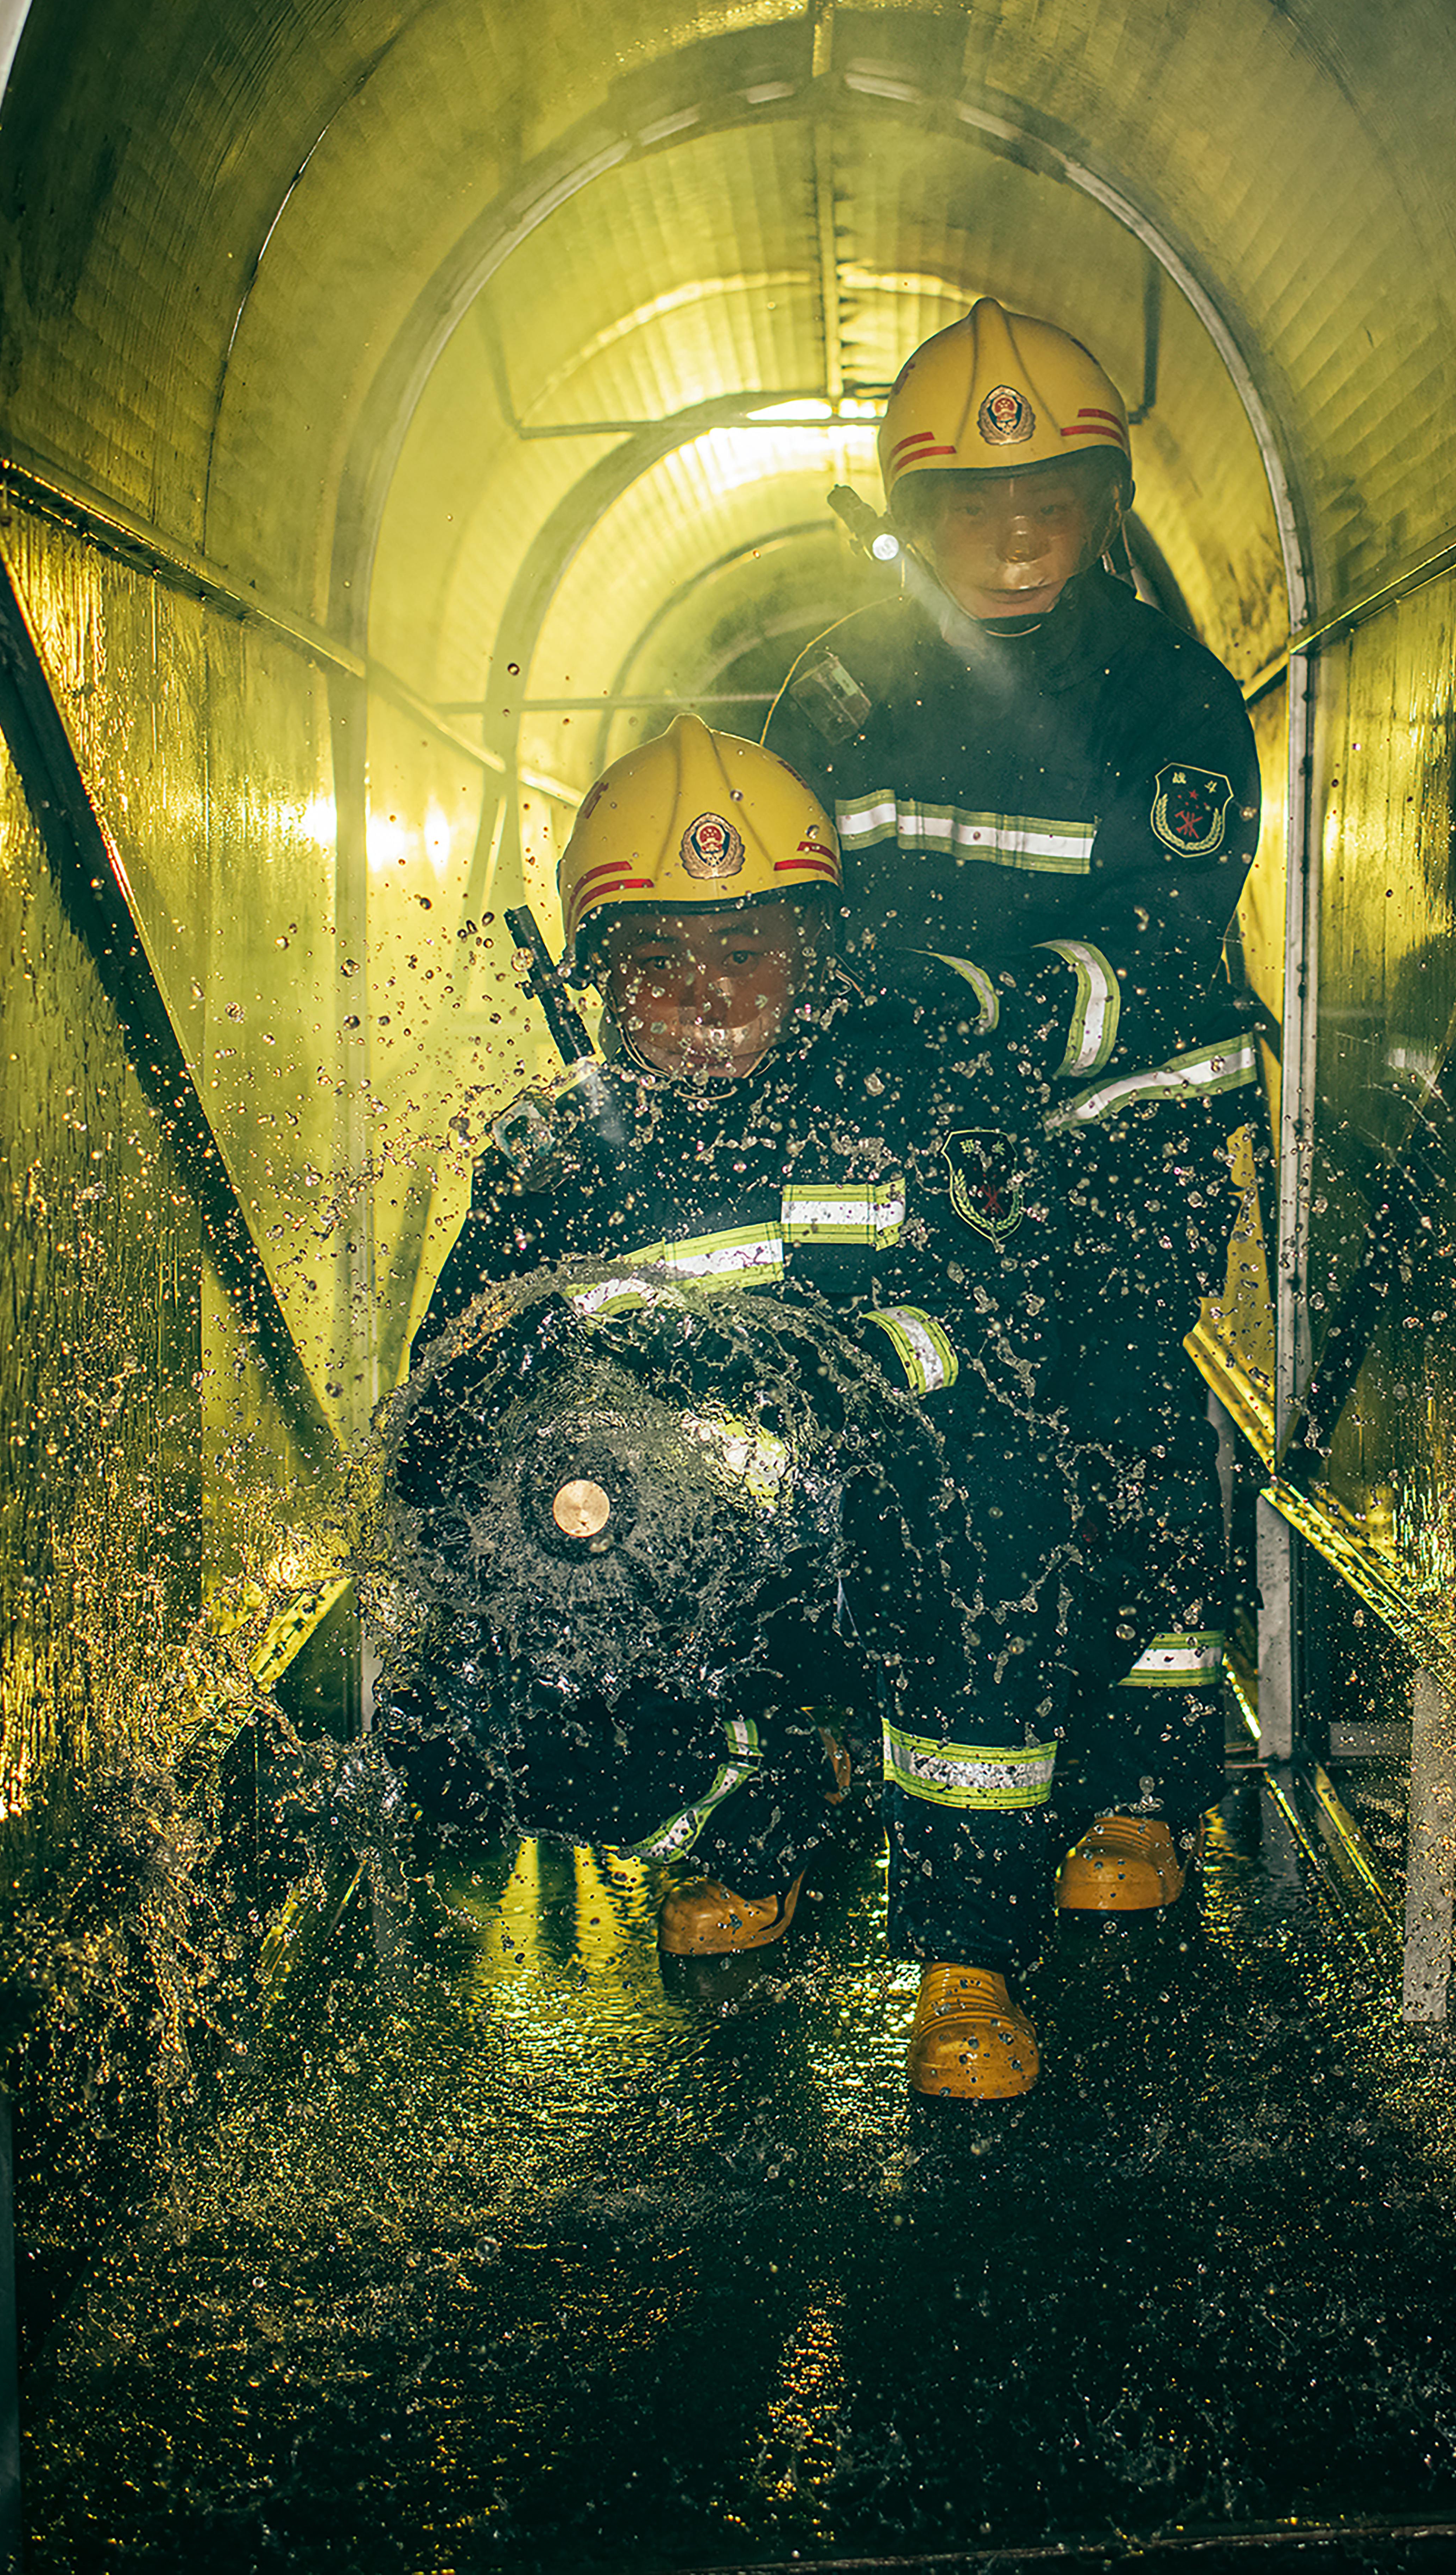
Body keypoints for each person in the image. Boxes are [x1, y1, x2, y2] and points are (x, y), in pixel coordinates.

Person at [397, 716, 1128, 2101]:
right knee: (483, 1667)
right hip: (677, 1541)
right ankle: (755, 1806)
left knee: (1009, 1497)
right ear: (596, 971)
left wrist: (833, 1383)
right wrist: (575, 1447)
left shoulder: (906, 1111)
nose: (709, 996)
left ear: (818, 952)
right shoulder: (553, 1153)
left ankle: (970, 1954)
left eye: (747, 951)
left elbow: (1008, 1334)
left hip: (882, 1521)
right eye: (661, 961)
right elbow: (449, 1391)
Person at [762, 298, 1263, 1912]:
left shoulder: (1168, 699)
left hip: (1128, 1137)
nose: (1021, 534)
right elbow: (784, 913)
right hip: (916, 1159)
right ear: (916, 520)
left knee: (1123, 1422)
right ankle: (853, 1744)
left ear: (1109, 506)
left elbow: (1168, 938)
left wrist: (985, 1015)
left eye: (1054, 498)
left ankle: (1142, 1793)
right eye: (979, 506)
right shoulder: (837, 695)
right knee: (898, 1437)